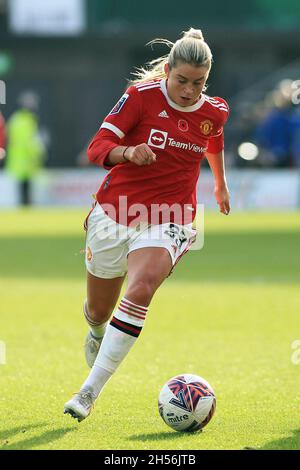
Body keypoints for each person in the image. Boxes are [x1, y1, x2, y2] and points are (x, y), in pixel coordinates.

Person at [64, 27, 230, 422]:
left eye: (199, 83)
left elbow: (214, 140)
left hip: (169, 216)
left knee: (141, 287)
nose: (189, 91)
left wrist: (221, 185)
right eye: (182, 81)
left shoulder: (215, 111)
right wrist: (127, 152)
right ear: (167, 71)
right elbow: (96, 149)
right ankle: (98, 331)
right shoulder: (140, 98)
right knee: (97, 310)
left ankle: (89, 392)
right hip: (115, 212)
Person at [5, 91, 46, 205]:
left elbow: (9, 137)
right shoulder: (29, 120)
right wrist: (38, 153)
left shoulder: (15, 119)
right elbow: (31, 141)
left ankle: (24, 206)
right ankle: (26, 206)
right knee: (27, 188)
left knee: (22, 188)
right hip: (27, 160)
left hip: (16, 160)